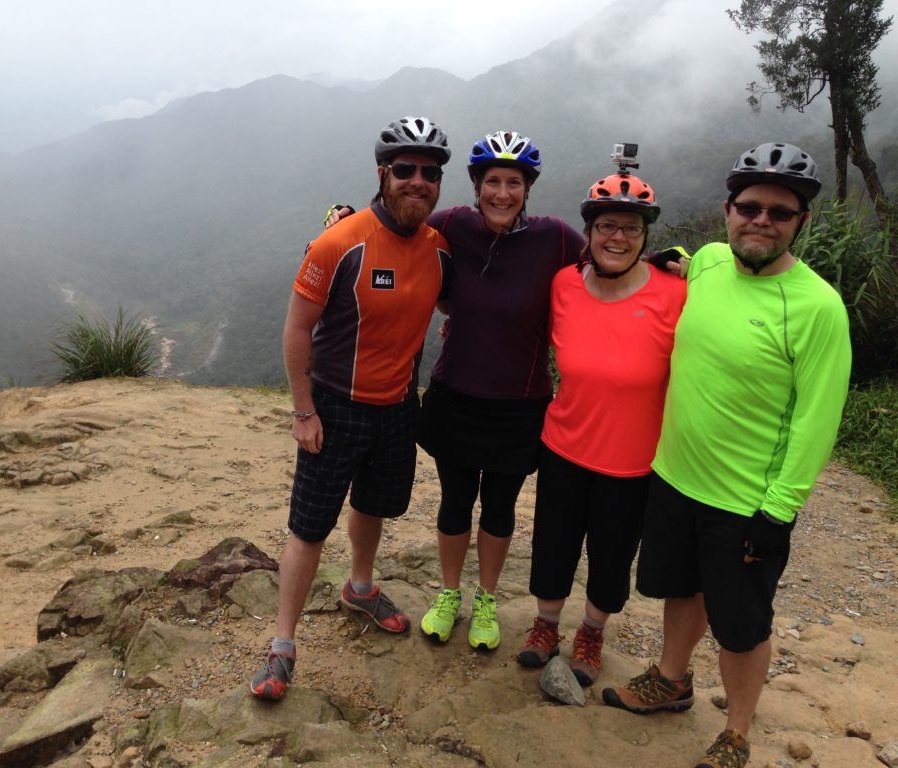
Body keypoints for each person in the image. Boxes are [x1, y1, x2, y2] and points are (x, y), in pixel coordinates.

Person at [601, 143, 852, 768]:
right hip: (674, 477)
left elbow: (817, 420)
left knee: (742, 626)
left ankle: (737, 731)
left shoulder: (818, 308)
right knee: (681, 590)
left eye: (780, 212)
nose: (761, 220)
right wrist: (671, 260)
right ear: (727, 211)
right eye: (749, 207)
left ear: (801, 221)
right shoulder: (710, 262)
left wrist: (780, 511)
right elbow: (691, 266)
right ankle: (671, 679)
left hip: (745, 502)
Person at [331, 131, 585, 651]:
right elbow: (395, 224)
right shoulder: (451, 226)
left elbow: (608, 258)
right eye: (492, 181)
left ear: (528, 189)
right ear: (475, 185)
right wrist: (346, 218)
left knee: (500, 507)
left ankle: (486, 599)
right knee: (454, 502)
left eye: (513, 183)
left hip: (521, 402)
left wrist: (671, 262)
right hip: (457, 395)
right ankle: (450, 594)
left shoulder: (556, 238)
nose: (502, 193)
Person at [249, 116, 452, 701]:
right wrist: (303, 410)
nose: (418, 181)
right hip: (334, 406)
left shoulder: (439, 248)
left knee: (373, 504)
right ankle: (283, 643)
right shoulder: (339, 242)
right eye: (406, 168)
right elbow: (296, 329)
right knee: (309, 526)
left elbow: (462, 303)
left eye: (430, 172)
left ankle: (360, 588)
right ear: (383, 172)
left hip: (397, 408)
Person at [516, 161, 688, 689]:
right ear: (588, 232)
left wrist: (691, 262)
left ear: (646, 236)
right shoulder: (564, 284)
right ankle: (546, 625)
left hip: (634, 459)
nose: (618, 237)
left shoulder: (676, 292)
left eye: (630, 227)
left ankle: (591, 633)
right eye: (607, 225)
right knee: (553, 542)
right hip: (563, 444)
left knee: (612, 554)